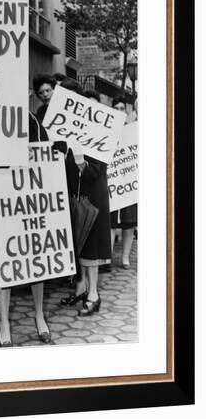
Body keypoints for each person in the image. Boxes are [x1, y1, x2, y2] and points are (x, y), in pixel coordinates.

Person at [0, 112, 52, 346]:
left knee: (35, 257)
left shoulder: (32, 121)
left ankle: (39, 316)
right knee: (3, 262)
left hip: (30, 201)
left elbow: (47, 160)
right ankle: (4, 324)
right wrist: (7, 157)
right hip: (1, 201)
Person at [60, 87, 112, 316]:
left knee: (91, 249)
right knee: (80, 246)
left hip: (94, 201)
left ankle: (94, 295)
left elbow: (93, 173)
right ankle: (82, 288)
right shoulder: (68, 132)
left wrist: (79, 156)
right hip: (75, 198)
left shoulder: (102, 135)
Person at [110, 96, 138, 268]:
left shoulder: (132, 131)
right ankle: (107, 256)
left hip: (129, 182)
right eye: (116, 108)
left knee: (129, 222)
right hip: (112, 182)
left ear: (126, 112)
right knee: (111, 222)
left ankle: (125, 257)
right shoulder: (105, 130)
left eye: (122, 108)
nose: (119, 111)